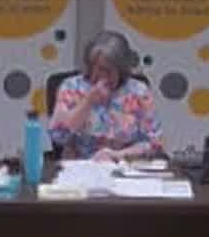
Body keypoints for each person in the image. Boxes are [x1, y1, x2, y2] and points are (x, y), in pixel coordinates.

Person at [49, 30, 162, 161]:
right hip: (80, 165)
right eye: (96, 68)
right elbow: (59, 136)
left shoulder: (139, 91)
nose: (102, 75)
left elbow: (154, 144)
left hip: (125, 164)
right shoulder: (71, 87)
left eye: (108, 71)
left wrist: (117, 155)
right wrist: (88, 102)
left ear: (121, 70)